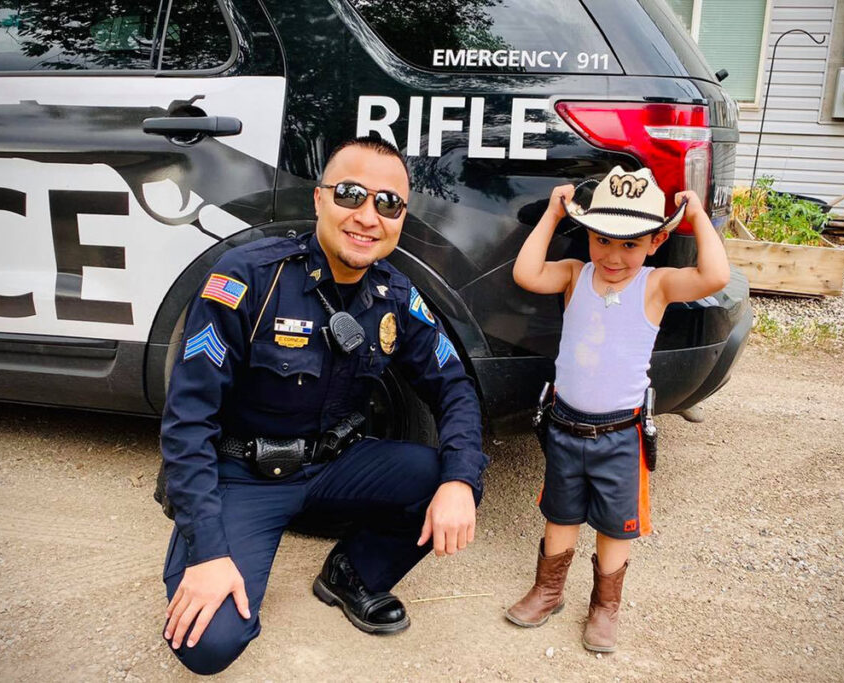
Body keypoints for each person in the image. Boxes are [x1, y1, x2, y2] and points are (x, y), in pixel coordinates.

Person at [159, 136, 489, 675]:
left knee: (450, 474)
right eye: (351, 194)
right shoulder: (248, 277)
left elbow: (454, 387)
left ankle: (351, 574)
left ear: (401, 217)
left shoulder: (395, 296)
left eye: (388, 203)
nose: (367, 216)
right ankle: (210, 548)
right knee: (209, 644)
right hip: (242, 474)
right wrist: (210, 551)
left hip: (334, 466)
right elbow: (188, 419)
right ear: (318, 199)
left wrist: (459, 482)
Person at [506, 166, 730, 651]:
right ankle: (548, 591)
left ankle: (605, 607)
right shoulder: (573, 275)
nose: (613, 255)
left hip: (621, 433)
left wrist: (696, 215)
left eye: (630, 243)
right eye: (602, 239)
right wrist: (551, 213)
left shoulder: (657, 284)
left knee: (614, 524)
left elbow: (715, 275)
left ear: (654, 243)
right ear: (587, 235)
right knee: (560, 514)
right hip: (566, 423)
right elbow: (525, 273)